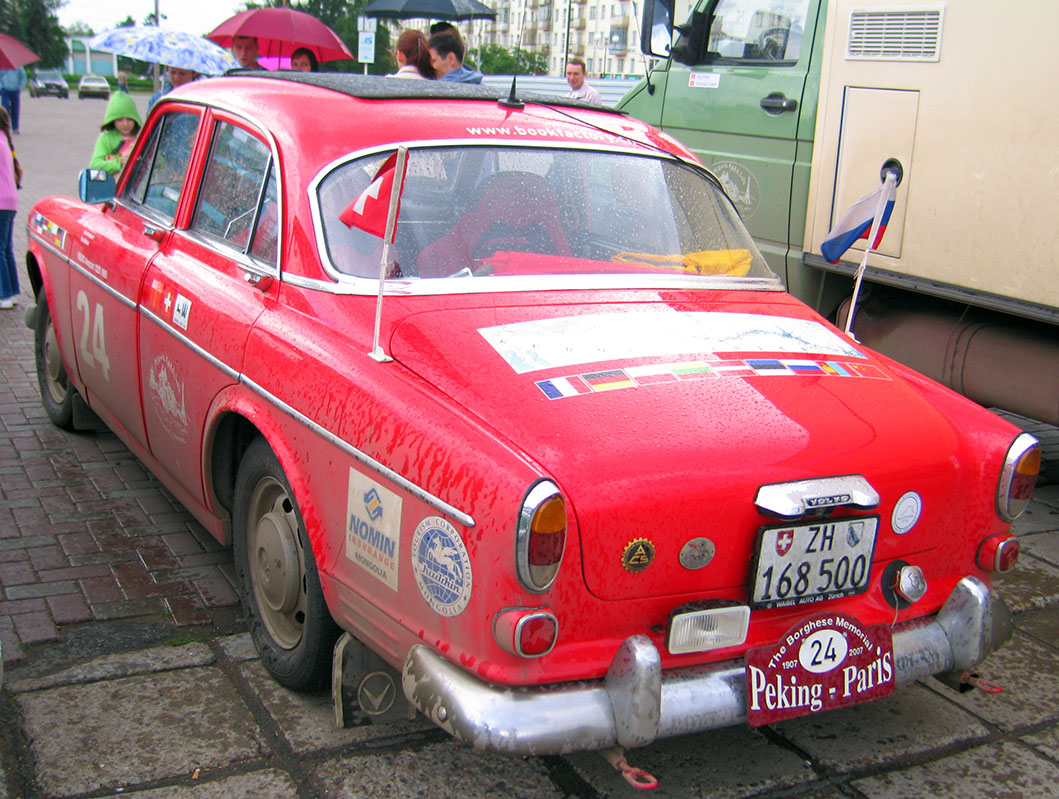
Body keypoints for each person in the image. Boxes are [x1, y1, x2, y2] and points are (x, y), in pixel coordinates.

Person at [90, 92, 142, 175]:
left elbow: (159, 163)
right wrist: (120, 162)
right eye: (120, 120)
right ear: (112, 120)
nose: (125, 124)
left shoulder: (142, 137)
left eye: (129, 119)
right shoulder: (106, 138)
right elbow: (95, 165)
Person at [0, 108, 18, 308]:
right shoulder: (5, 140)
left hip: (1, 202)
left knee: (0, 251)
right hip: (10, 202)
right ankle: (11, 291)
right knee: (6, 249)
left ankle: (4, 295)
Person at [0, 66, 26, 134]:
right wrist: (1, 87)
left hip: (15, 90)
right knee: (5, 108)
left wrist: (20, 88)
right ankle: (5, 126)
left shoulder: (19, 67)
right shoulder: (3, 66)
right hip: (5, 90)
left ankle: (15, 128)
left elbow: (23, 77)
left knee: (15, 109)